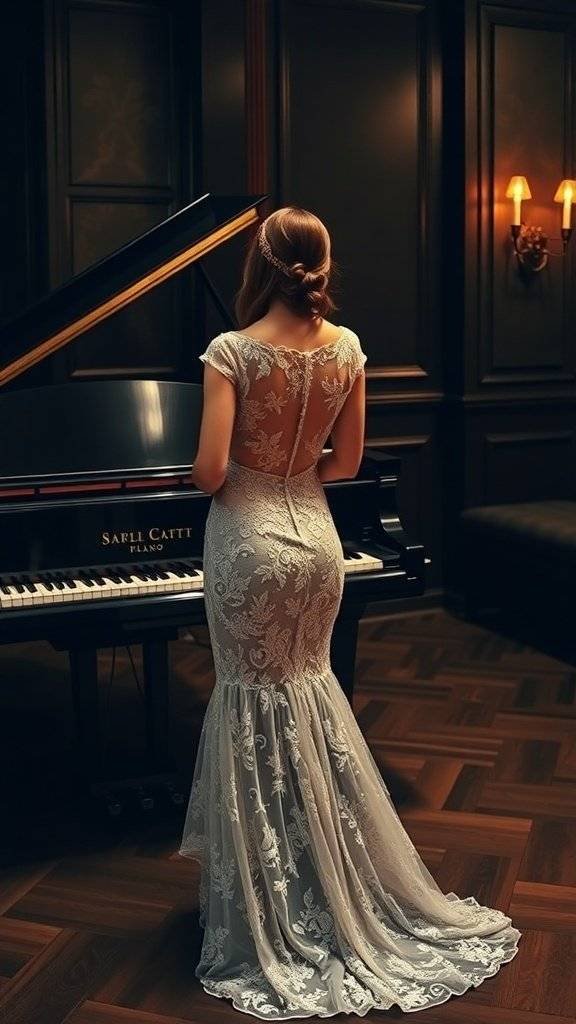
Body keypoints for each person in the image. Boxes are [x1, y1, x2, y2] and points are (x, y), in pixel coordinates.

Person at [178, 207, 521, 1019]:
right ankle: (335, 888)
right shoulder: (349, 348)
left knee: (251, 704)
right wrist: (292, 482)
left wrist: (249, 488)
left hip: (249, 542)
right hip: (317, 544)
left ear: (262, 264)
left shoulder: (232, 351)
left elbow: (208, 470)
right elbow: (350, 460)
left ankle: (273, 908)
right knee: (309, 695)